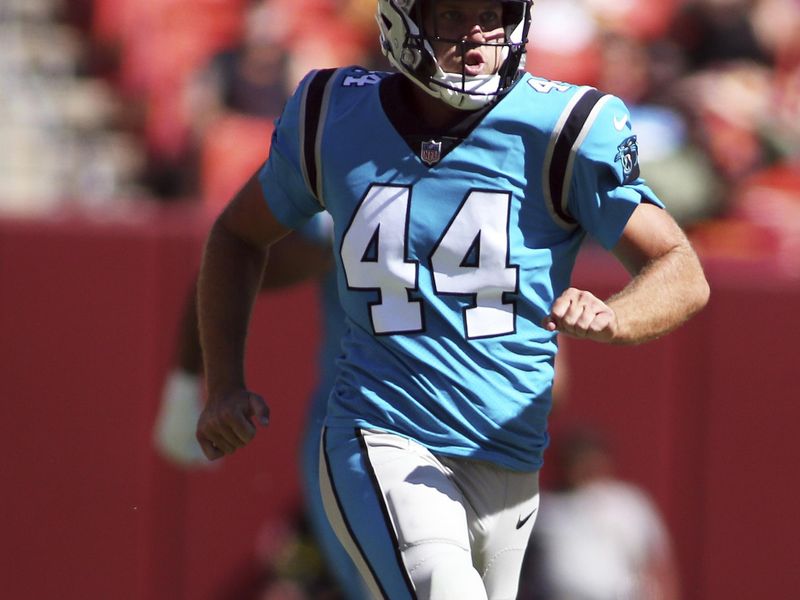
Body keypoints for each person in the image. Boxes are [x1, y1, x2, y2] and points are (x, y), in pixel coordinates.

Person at [194, 1, 710, 599]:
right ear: (400, 20)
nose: (477, 35)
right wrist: (221, 383)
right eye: (452, 14)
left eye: (493, 12)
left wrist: (618, 314)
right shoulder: (331, 114)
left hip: (509, 460)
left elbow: (681, 268)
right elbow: (237, 234)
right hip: (382, 436)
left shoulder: (564, 127)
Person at [153, 213, 369, 599]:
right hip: (366, 439)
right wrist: (192, 390)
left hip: (488, 431)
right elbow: (235, 250)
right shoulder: (347, 167)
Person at [518, 427, 680, 600]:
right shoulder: (545, 509)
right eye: (577, 461)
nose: (584, 468)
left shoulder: (628, 504)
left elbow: (657, 564)